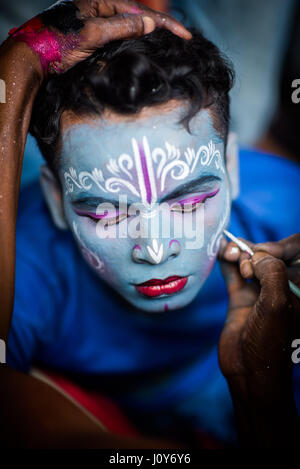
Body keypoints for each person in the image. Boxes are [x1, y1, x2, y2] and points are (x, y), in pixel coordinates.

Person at [0, 0, 299, 448]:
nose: (156, 250)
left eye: (189, 201)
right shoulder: (27, 265)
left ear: (232, 169)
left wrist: (265, 398)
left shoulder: (287, 211)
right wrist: (18, 65)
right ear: (56, 199)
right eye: (108, 212)